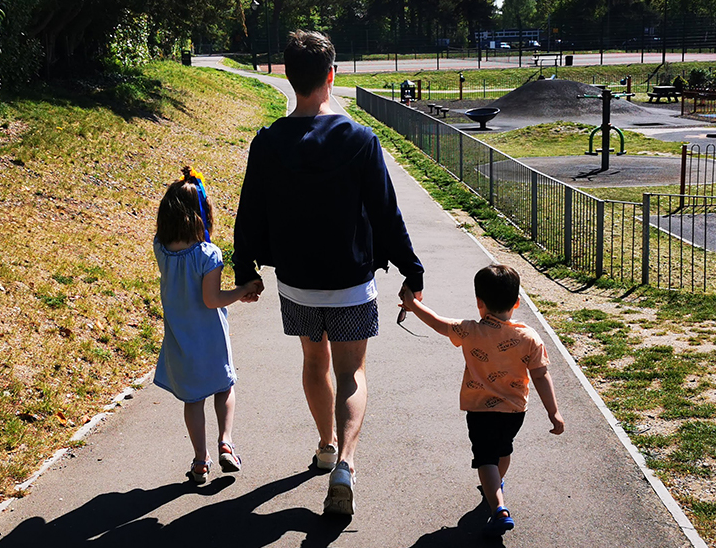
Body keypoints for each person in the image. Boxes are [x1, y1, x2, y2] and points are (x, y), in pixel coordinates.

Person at [232, 30, 424, 516]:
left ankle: (325, 446)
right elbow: (385, 212)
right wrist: (411, 269)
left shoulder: (269, 141)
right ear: (331, 76)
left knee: (314, 364)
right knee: (352, 372)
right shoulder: (359, 139)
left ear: (288, 77)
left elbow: (249, 210)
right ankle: (347, 466)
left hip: (296, 281)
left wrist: (245, 267)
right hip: (351, 281)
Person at [400, 264, 564, 538]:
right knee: (503, 449)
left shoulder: (469, 330)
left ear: (479, 303)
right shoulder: (529, 337)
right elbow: (541, 375)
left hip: (479, 409)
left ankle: (498, 508)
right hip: (514, 411)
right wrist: (554, 412)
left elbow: (438, 322)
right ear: (517, 302)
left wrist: (413, 305)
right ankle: (497, 483)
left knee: (484, 457)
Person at [154, 166, 262, 484]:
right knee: (224, 386)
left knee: (193, 400)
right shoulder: (208, 255)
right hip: (211, 337)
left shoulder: (160, 249)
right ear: (202, 215)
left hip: (179, 339)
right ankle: (226, 442)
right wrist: (242, 291)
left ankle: (201, 461)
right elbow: (212, 299)